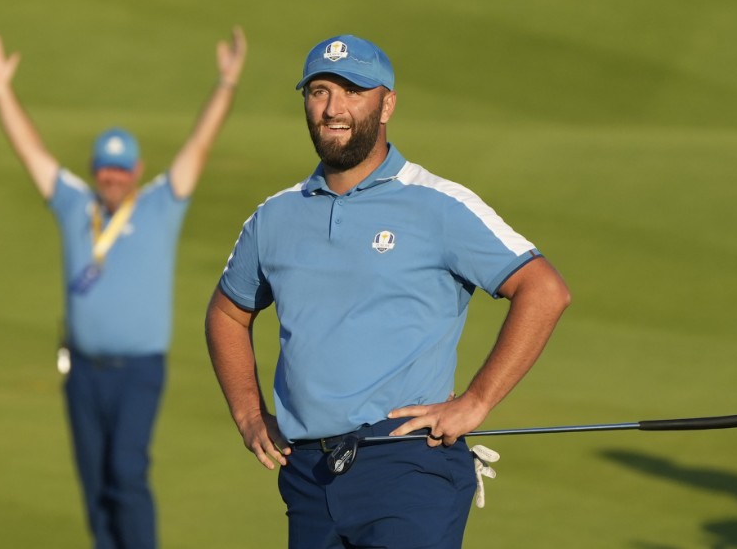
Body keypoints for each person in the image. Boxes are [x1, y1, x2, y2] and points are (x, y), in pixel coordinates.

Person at [205, 34, 570, 548]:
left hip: (408, 467)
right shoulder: (274, 217)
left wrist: (477, 401)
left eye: (353, 91)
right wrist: (247, 413)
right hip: (309, 476)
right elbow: (226, 314)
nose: (333, 108)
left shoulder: (438, 203)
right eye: (319, 91)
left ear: (387, 103)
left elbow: (543, 289)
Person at [0, 27, 247, 549]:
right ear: (95, 170)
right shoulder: (75, 205)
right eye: (106, 168)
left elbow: (199, 145)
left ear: (137, 170)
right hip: (81, 371)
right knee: (95, 485)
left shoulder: (161, 203)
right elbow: (31, 152)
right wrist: (0, 90)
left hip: (139, 370)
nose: (113, 177)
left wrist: (226, 82)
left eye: (122, 169)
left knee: (126, 473)